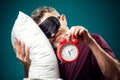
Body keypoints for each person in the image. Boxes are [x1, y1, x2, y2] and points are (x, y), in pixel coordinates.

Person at [14, 6, 120, 80]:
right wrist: (27, 67)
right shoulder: (46, 59)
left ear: (63, 19)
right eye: (45, 33)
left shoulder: (92, 40)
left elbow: (116, 76)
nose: (52, 34)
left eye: (52, 25)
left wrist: (91, 43)